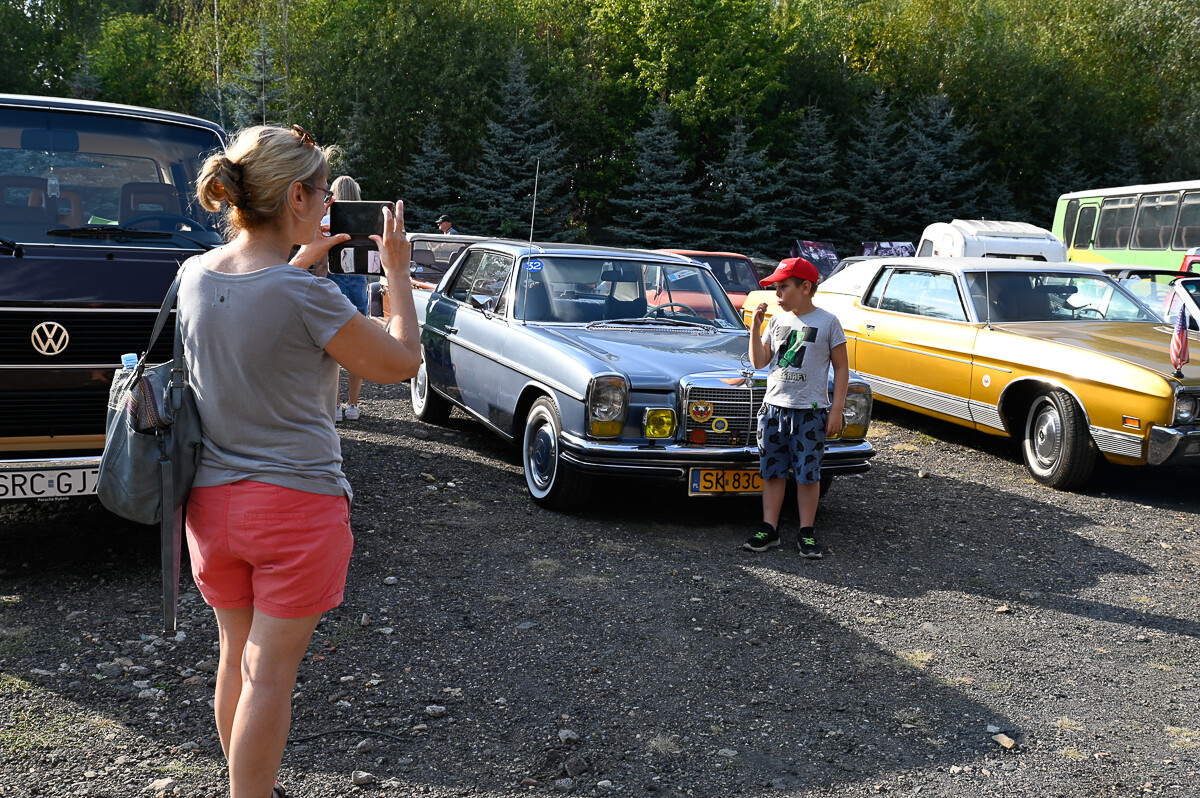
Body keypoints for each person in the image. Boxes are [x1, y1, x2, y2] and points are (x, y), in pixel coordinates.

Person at [182, 124, 420, 798]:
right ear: (295, 196)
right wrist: (397, 272)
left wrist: (297, 259)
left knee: (236, 657)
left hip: (209, 507)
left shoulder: (194, 275)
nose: (326, 208)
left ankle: (246, 785)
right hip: (293, 507)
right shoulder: (304, 294)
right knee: (270, 678)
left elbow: (253, 306)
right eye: (321, 195)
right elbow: (402, 362)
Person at [744, 257, 848, 559]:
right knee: (772, 471)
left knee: (808, 473)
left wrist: (836, 410)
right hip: (774, 409)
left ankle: (806, 531)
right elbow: (759, 361)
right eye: (776, 288)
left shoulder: (828, 322)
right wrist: (755, 328)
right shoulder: (777, 321)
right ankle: (769, 528)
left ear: (805, 287)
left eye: (783, 287)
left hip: (810, 412)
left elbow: (842, 368)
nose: (777, 294)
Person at [321, 175, 370, 421]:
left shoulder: (327, 219)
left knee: (333, 348)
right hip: (358, 281)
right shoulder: (365, 220)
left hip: (334, 279)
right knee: (357, 346)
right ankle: (353, 405)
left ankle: (336, 406)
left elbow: (320, 256)